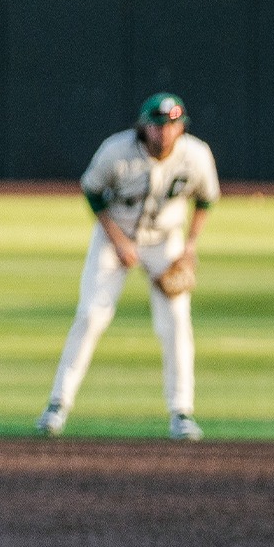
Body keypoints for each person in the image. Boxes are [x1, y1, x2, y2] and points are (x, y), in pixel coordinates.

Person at [36, 93, 220, 441]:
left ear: (182, 127)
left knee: (177, 322)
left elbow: (206, 199)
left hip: (165, 239)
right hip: (114, 236)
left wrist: (190, 247)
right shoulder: (116, 151)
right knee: (91, 314)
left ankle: (182, 412)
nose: (164, 133)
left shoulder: (196, 155)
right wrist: (119, 241)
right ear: (144, 126)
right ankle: (57, 405)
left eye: (172, 125)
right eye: (157, 125)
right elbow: (92, 191)